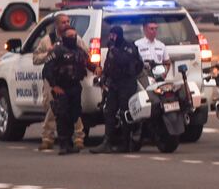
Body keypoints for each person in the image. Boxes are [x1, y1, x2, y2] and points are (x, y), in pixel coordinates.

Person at [33, 13, 88, 153]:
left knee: (74, 110)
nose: (66, 24)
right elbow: (36, 59)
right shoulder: (47, 40)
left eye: (68, 21)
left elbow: (86, 54)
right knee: (53, 108)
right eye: (63, 22)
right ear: (56, 25)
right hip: (53, 81)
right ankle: (48, 138)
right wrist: (49, 54)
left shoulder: (75, 38)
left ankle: (78, 138)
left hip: (71, 82)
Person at [96, 25, 142, 153]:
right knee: (109, 112)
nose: (111, 38)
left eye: (113, 35)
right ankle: (107, 142)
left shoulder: (129, 47)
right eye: (110, 35)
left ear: (119, 35)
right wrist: (104, 77)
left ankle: (126, 142)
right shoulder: (113, 48)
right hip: (114, 84)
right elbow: (108, 64)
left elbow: (123, 60)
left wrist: (113, 49)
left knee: (125, 113)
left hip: (127, 84)